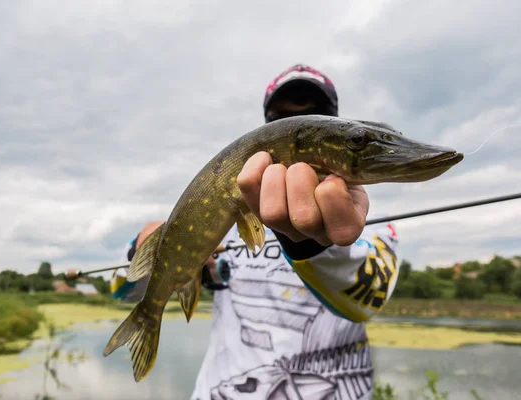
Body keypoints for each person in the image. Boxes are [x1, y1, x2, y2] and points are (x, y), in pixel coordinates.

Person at [114, 64, 400, 400]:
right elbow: (123, 293)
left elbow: (368, 301)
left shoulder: (364, 211)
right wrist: (142, 248)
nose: (295, 124)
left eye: (316, 114)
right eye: (280, 117)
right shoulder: (223, 209)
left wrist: (311, 244)